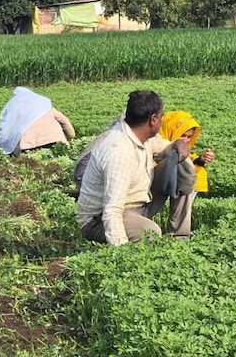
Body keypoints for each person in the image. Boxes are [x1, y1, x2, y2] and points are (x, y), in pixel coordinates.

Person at [75, 90, 195, 246]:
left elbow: (162, 147)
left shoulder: (142, 135)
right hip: (98, 219)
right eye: (161, 116)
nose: (161, 121)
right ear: (153, 120)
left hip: (137, 204)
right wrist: (122, 252)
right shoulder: (119, 153)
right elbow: (112, 211)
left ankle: (179, 238)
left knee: (181, 163)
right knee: (150, 233)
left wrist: (176, 144)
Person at [156, 110, 215, 236]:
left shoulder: (183, 153)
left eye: (189, 137)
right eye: (183, 135)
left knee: (188, 172)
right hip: (152, 185)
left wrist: (200, 160)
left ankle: (178, 236)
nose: (187, 140)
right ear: (172, 131)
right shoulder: (154, 140)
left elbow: (189, 162)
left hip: (172, 179)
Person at [0, 86, 76, 157]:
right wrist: (71, 137)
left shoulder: (14, 111)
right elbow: (64, 121)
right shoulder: (46, 108)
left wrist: (2, 146)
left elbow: (5, 128)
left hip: (28, 146)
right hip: (55, 141)